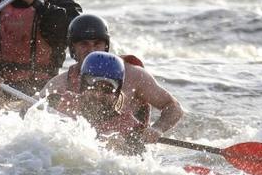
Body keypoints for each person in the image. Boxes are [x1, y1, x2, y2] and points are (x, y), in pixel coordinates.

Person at [53, 51, 183, 155]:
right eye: (93, 87)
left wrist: (155, 130)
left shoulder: (129, 126)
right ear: (82, 86)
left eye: (107, 90)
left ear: (117, 93)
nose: (98, 95)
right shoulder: (61, 101)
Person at [39, 14, 150, 123]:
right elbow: (35, 111)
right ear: (73, 48)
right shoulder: (58, 86)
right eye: (84, 44)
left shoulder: (134, 75)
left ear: (106, 46)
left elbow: (167, 104)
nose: (92, 50)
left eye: (97, 44)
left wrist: (157, 129)